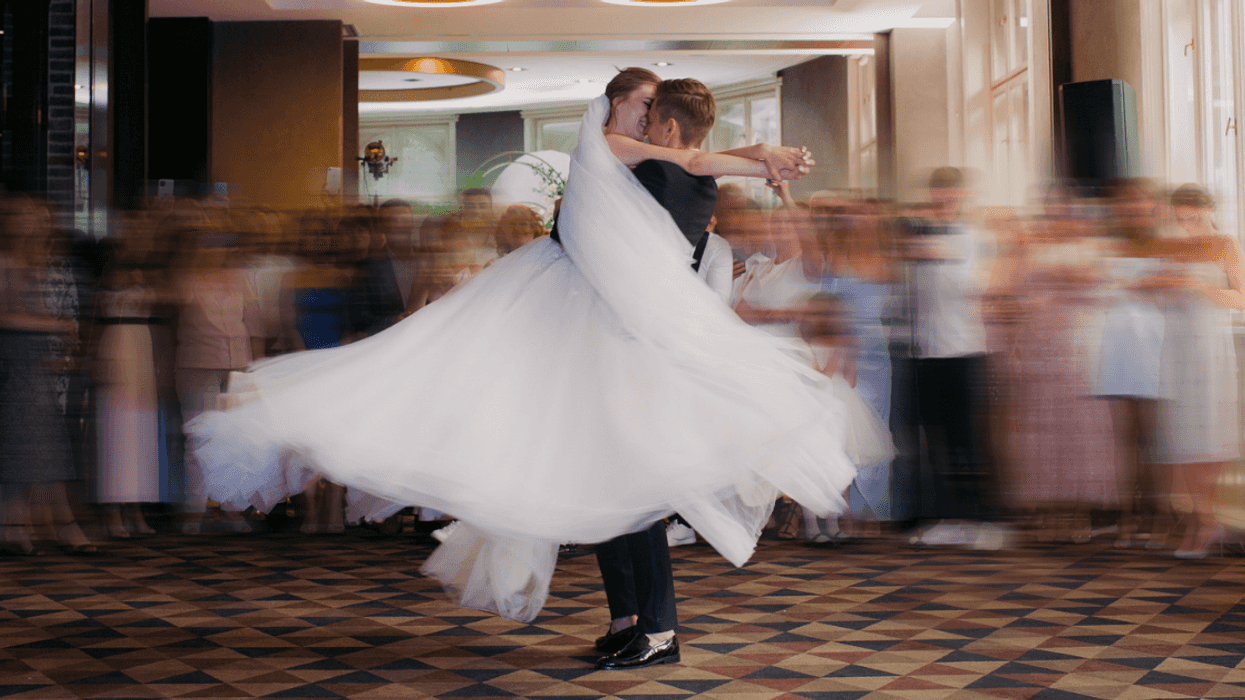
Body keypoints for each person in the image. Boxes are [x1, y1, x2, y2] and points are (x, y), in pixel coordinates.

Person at [185, 69, 853, 646]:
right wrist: (759, 155)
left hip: (620, 346)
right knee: (603, 493)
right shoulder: (608, 152)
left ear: (669, 126)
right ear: (616, 108)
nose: (646, 120)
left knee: (633, 496)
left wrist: (753, 157)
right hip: (583, 338)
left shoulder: (662, 167)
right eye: (638, 107)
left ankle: (654, 628)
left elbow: (694, 161)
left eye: (655, 113)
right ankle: (628, 621)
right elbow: (691, 159)